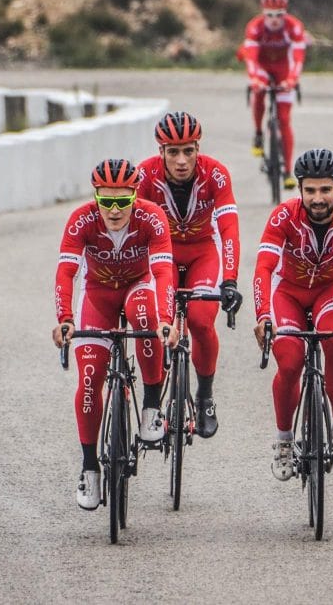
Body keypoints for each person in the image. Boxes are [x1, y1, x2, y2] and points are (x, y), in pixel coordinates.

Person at [52, 158, 180, 510]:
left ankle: (152, 405)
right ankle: (90, 467)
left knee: (144, 316)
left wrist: (166, 320)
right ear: (95, 197)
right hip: (97, 295)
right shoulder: (81, 219)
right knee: (91, 379)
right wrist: (65, 318)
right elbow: (66, 273)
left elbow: (164, 273)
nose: (113, 210)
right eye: (105, 201)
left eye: (121, 201)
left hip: (139, 287)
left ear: (134, 196)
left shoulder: (151, 216)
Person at [251, 148, 333, 481]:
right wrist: (263, 315)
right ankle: (284, 441)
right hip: (288, 294)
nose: (318, 197)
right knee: (291, 361)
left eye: (325, 189)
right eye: (310, 190)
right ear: (299, 189)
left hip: (330, 290)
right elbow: (264, 269)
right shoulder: (283, 216)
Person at [136, 111, 243, 438]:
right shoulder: (144, 175)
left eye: (189, 151)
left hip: (202, 254)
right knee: (150, 323)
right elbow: (134, 227)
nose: (182, 160)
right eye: (173, 152)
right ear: (161, 152)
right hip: (161, 255)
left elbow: (229, 230)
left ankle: (205, 394)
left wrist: (229, 281)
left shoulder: (216, 174)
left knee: (199, 319)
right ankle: (151, 398)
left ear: (198, 149)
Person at [238, 0, 307, 190]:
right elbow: (250, 57)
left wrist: (292, 80)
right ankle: (259, 133)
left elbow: (298, 57)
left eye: (279, 15)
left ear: (285, 14)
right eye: (269, 15)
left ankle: (287, 171)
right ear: (263, 13)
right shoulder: (255, 27)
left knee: (284, 120)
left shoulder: (294, 27)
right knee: (259, 92)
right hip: (262, 67)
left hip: (284, 70)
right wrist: (254, 79)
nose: (274, 20)